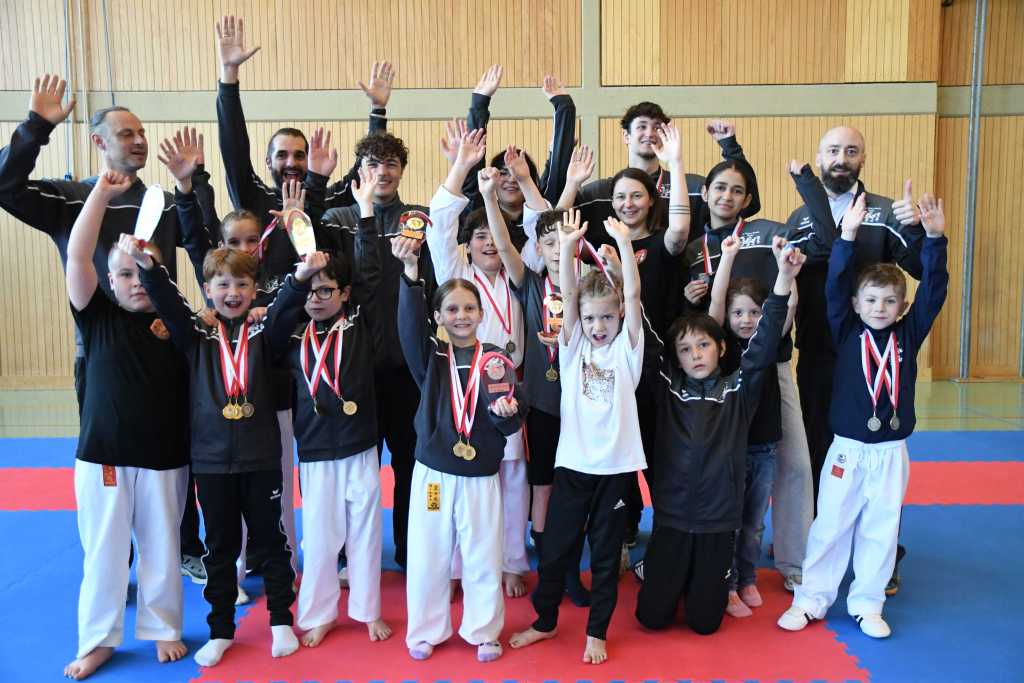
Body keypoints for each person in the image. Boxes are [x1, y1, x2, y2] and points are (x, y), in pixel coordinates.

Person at [0, 76, 209, 580]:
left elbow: (207, 250)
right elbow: (6, 186)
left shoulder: (161, 201)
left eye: (141, 133)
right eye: (126, 133)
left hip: (162, 344)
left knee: (174, 446)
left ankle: (184, 545)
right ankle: (116, 559)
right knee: (108, 454)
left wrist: (192, 186)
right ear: (98, 141)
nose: (138, 141)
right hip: (100, 348)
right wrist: (35, 127)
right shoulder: (71, 198)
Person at [130, 238, 328, 666]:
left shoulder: (264, 334)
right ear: (207, 289)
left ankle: (280, 621)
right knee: (219, 547)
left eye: (241, 284)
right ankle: (221, 629)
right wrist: (149, 268)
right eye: (222, 284)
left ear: (254, 289)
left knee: (272, 541)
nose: (232, 293)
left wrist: (301, 277)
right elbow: (171, 305)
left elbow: (285, 311)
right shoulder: (197, 335)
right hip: (211, 460)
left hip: (261, 458)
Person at [778, 192, 948, 639]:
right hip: (847, 451)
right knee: (830, 525)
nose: (879, 308)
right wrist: (847, 237)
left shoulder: (909, 333)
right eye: (871, 300)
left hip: (890, 452)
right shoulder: (846, 329)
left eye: (890, 301)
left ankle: (868, 603)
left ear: (902, 307)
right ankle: (811, 599)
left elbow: (933, 292)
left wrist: (935, 239)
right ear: (856, 304)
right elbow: (834, 285)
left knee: (881, 528)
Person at [634, 240, 803, 636]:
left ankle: (701, 579)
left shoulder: (738, 390)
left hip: (717, 523)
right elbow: (642, 330)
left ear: (721, 348)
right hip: (673, 520)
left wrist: (784, 278)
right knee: (651, 619)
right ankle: (665, 572)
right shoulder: (668, 387)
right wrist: (625, 266)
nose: (695, 354)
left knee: (704, 623)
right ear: (676, 358)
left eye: (704, 345)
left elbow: (764, 342)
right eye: (686, 349)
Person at [61, 171, 191, 680]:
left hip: (164, 457)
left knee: (163, 548)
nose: (136, 282)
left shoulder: (178, 323)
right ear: (110, 281)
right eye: (125, 274)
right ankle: (97, 641)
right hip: (105, 457)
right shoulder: (97, 317)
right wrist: (100, 195)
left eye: (144, 273)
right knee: (105, 553)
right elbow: (77, 256)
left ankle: (163, 627)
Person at [681, 159, 832, 591]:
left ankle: (793, 558)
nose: (726, 196)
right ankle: (722, 560)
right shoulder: (693, 248)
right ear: (705, 193)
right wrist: (689, 295)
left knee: (794, 463)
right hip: (721, 373)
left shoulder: (768, 233)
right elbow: (696, 315)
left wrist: (790, 265)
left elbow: (820, 243)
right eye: (720, 188)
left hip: (772, 365)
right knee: (727, 470)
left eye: (736, 190)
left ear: (748, 199)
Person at [787, 127, 923, 594]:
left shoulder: (884, 212)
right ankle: (819, 548)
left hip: (874, 360)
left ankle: (883, 557)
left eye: (851, 151)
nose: (841, 158)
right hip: (818, 351)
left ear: (863, 158)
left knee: (879, 462)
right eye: (833, 150)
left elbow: (919, 267)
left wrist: (917, 228)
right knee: (819, 451)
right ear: (819, 157)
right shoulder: (801, 217)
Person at [509, 212, 645, 666]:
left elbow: (633, 293)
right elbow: (568, 294)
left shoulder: (627, 350)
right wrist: (567, 247)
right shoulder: (572, 350)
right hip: (573, 468)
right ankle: (545, 621)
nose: (598, 326)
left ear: (619, 315)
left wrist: (623, 245)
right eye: (590, 318)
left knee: (604, 556)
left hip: (615, 471)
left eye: (607, 316)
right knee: (554, 550)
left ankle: (597, 631)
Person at [394, 234, 524, 663]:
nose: (462, 316)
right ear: (438, 316)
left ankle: (484, 630)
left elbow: (511, 418)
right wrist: (411, 275)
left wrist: (506, 413)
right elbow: (408, 329)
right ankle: (426, 629)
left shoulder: (495, 360)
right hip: (434, 476)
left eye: (469, 308)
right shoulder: (431, 356)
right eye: (452, 309)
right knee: (428, 551)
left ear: (481, 314)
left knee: (483, 553)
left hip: (479, 475)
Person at [317, 127, 435, 569]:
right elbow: (345, 282)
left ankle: (409, 548)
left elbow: (432, 282)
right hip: (354, 367)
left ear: (402, 171)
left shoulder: (419, 219)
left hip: (407, 367)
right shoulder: (338, 218)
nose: (382, 171)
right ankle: (350, 553)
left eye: (391, 163)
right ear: (359, 171)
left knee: (409, 463)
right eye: (372, 163)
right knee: (356, 470)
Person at [285, 168, 392, 647]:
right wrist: (294, 233)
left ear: (344, 295)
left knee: (365, 529)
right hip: (314, 450)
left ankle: (367, 610)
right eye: (310, 291)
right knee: (321, 535)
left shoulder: (359, 322)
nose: (316, 299)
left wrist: (366, 212)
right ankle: (319, 611)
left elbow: (370, 273)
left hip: (359, 444)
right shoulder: (293, 332)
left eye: (326, 290)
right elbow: (287, 291)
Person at [427, 128, 531, 598]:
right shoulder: (456, 276)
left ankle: (511, 561)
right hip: (460, 391)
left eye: (495, 234)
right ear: (467, 244)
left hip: (508, 388)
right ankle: (453, 568)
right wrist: (461, 167)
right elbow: (440, 224)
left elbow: (542, 227)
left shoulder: (520, 274)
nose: (489, 243)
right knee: (456, 478)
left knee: (512, 478)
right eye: (480, 236)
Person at [707, 236, 799, 617]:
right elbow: (716, 303)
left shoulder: (769, 341)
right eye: (739, 312)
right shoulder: (722, 346)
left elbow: (786, 306)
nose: (746, 320)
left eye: (754, 312)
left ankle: (747, 577)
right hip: (731, 448)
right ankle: (728, 583)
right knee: (730, 520)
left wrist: (784, 269)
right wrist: (727, 258)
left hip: (764, 448)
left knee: (754, 522)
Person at [565, 103, 760, 235]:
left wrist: (729, 146)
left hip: (683, 285)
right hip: (617, 285)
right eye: (642, 126)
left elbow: (748, 205)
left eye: (657, 127)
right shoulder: (601, 193)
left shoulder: (691, 188)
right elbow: (556, 221)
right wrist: (559, 161)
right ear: (626, 136)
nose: (650, 133)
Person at [455, 65, 577, 250]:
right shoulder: (481, 211)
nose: (511, 179)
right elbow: (473, 165)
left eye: (516, 174)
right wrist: (479, 102)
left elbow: (557, 169)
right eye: (503, 173)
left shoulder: (541, 210)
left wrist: (564, 107)